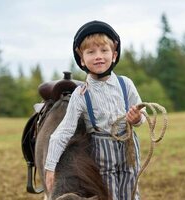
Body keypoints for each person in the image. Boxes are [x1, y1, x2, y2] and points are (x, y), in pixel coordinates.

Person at [45, 20, 145, 200]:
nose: (98, 56)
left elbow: (141, 117)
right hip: (102, 151)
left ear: (114, 54)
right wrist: (50, 166)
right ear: (81, 58)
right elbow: (64, 131)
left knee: (131, 192)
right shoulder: (81, 95)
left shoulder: (126, 84)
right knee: (108, 194)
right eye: (91, 52)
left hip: (129, 146)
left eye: (104, 50)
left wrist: (136, 119)